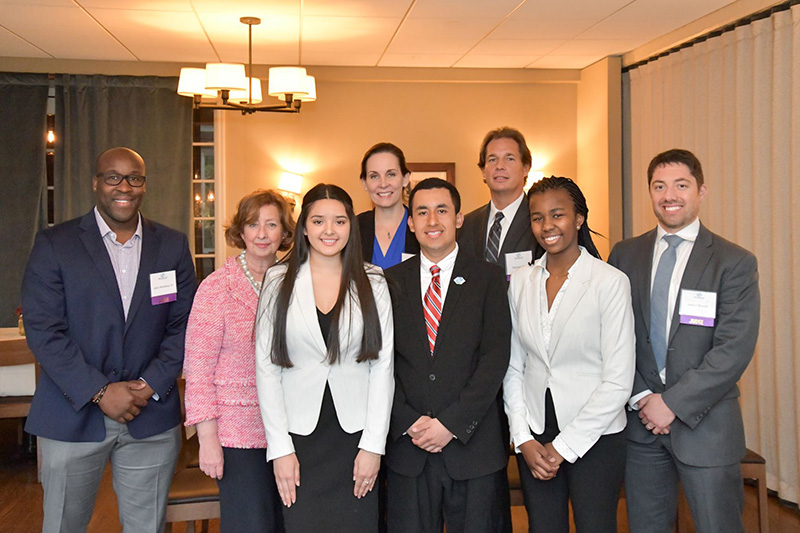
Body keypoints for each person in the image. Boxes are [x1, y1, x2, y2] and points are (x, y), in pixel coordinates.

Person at [21, 147, 197, 532]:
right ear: (96, 183)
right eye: (113, 177)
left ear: (144, 185)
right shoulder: (55, 244)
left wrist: (148, 384)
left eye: (134, 177)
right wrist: (101, 391)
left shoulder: (171, 245)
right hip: (71, 415)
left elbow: (184, 325)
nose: (125, 186)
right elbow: (44, 330)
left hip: (149, 415)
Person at [608, 149, 760, 533]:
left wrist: (672, 403)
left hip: (707, 429)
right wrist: (643, 397)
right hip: (640, 427)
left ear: (701, 191)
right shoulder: (625, 255)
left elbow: (733, 349)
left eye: (681, 185)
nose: (669, 195)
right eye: (659, 186)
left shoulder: (734, 262)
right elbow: (612, 334)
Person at [255, 184, 394, 532]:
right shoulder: (277, 281)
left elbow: (383, 367)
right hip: (299, 438)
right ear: (304, 227)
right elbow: (266, 368)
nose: (329, 231)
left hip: (355, 436)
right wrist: (280, 448)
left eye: (339, 221)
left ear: (352, 226)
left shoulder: (373, 281)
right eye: (318, 221)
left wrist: (373, 447)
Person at [504, 176, 635, 532]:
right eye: (537, 217)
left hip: (596, 435)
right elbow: (514, 367)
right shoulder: (520, 281)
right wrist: (523, 438)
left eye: (557, 215)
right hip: (535, 430)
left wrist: (563, 447)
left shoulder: (609, 282)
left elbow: (618, 380)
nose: (547, 226)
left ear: (578, 219)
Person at [384, 178, 511, 533]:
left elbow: (494, 359)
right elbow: (380, 364)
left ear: (459, 218)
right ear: (410, 223)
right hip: (409, 449)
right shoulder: (388, 282)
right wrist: (409, 421)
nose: (432, 220)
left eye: (442, 210)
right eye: (422, 212)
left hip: (473, 450)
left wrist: (451, 425)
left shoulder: (488, 278)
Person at [183, 189, 295, 532]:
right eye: (252, 224)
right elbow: (197, 369)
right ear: (241, 231)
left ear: (284, 232)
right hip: (238, 436)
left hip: (292, 430)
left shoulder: (297, 282)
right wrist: (208, 440)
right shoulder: (217, 287)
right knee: (252, 525)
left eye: (271, 224)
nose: (262, 234)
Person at [458, 126, 542, 277]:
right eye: (492, 159)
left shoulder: (540, 220)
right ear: (484, 172)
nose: (500, 166)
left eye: (509, 158)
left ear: (526, 168)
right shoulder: (466, 225)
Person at [356, 142, 420, 267]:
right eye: (374, 176)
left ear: (405, 178)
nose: (383, 184)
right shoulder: (354, 228)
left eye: (391, 174)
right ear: (364, 183)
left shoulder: (421, 226)